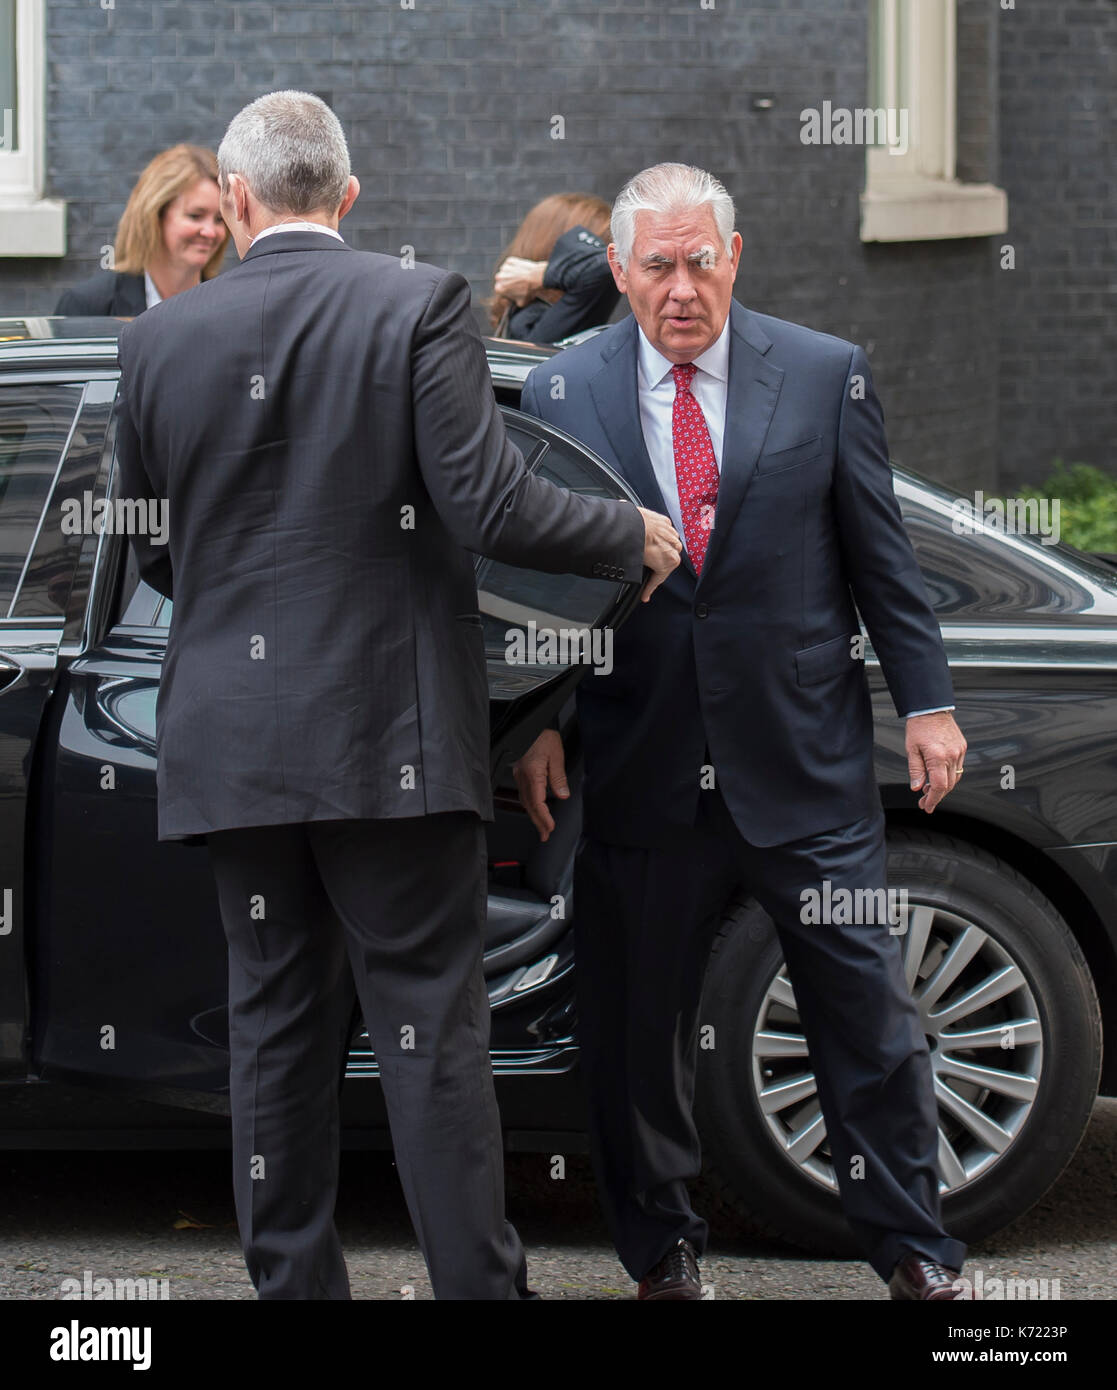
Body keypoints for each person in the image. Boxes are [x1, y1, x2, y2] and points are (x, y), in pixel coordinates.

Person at [113, 92, 681, 1301]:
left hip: (237, 748)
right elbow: (488, 506)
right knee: (429, 1036)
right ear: (350, 196)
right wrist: (622, 530)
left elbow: (151, 545)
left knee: (271, 1032)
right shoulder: (412, 302)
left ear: (243, 199)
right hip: (393, 740)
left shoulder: (159, 340)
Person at [514, 162, 969, 1301]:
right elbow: (534, 581)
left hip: (801, 762)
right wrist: (537, 719)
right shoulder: (563, 389)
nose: (681, 287)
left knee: (866, 1013)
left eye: (699, 260)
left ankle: (913, 1248)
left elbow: (883, 560)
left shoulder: (823, 376)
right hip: (638, 758)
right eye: (656, 265)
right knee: (635, 1030)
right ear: (616, 269)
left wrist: (926, 701)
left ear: (735, 255)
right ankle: (662, 1254)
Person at [55, 144, 227, 317]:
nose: (210, 232)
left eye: (220, 219)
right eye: (195, 216)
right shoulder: (88, 306)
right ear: (154, 215)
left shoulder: (228, 308)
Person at [489, 192, 619, 343]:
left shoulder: (528, 320)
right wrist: (538, 275)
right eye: (598, 247)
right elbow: (607, 266)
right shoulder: (532, 322)